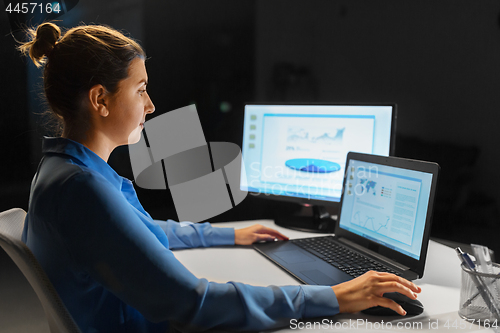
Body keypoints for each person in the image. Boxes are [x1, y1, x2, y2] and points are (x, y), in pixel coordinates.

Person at [19, 22, 421, 333]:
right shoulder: (82, 189)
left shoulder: (63, 170)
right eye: (140, 90)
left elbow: (140, 231)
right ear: (100, 99)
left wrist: (230, 234)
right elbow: (195, 303)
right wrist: (333, 296)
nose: (151, 105)